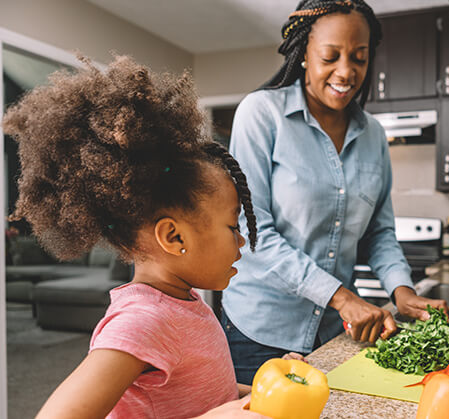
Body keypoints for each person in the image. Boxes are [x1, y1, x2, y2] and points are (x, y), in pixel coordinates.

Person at [2, 55, 297, 418]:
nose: (241, 242)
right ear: (173, 237)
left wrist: (267, 391)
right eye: (233, 227)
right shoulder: (143, 321)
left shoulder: (183, 303)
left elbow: (204, 392)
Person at [223, 0, 449, 385]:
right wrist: (342, 297)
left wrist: (402, 290)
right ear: (302, 54)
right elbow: (253, 230)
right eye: (330, 56)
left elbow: (379, 233)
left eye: (360, 58)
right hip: (260, 330)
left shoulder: (374, 136)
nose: (346, 72)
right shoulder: (261, 114)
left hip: (333, 331)